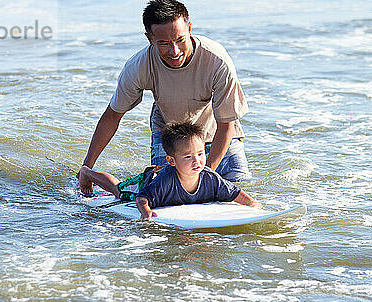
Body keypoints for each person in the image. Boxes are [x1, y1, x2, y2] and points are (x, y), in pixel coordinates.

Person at [79, 0, 251, 194]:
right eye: (163, 43)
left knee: (241, 187)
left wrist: (207, 175)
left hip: (217, 132)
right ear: (149, 39)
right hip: (170, 134)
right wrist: (87, 166)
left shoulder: (217, 61)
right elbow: (112, 116)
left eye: (180, 39)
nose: (174, 51)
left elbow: (227, 124)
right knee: (164, 192)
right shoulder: (138, 67)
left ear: (190, 28)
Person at [79, 122, 259, 221]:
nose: (197, 161)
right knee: (119, 190)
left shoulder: (210, 178)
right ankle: (87, 172)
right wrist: (145, 212)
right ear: (171, 161)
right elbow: (142, 198)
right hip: (148, 181)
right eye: (188, 157)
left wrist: (253, 206)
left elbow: (235, 193)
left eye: (200, 153)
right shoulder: (165, 181)